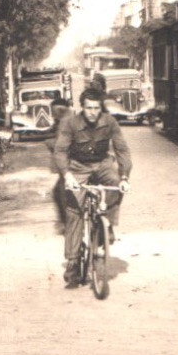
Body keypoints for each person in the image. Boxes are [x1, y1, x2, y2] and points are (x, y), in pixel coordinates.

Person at [52, 86, 132, 287]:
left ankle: (108, 225)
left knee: (115, 184)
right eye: (89, 108)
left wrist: (124, 177)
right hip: (78, 167)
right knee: (74, 211)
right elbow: (60, 151)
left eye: (96, 108)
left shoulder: (110, 122)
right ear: (82, 107)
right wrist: (67, 175)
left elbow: (122, 149)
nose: (93, 112)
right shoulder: (70, 123)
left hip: (102, 164)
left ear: (101, 108)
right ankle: (72, 261)